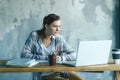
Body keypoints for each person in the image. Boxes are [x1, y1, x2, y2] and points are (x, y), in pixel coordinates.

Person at [21, 13, 77, 80]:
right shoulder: (34, 36)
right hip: (43, 76)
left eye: (59, 26)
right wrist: (46, 58)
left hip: (60, 73)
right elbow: (24, 55)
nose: (58, 29)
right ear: (46, 26)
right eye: (55, 26)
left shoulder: (59, 38)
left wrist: (61, 58)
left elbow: (74, 54)